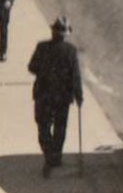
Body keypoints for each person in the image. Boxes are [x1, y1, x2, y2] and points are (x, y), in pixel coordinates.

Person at [28, 16, 84, 176]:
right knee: (60, 127)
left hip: (43, 93)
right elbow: (76, 76)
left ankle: (49, 154)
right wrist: (79, 96)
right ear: (65, 34)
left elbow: (31, 67)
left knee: (43, 126)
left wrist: (44, 71)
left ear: (52, 31)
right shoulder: (71, 51)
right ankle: (56, 156)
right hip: (62, 96)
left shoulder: (41, 47)